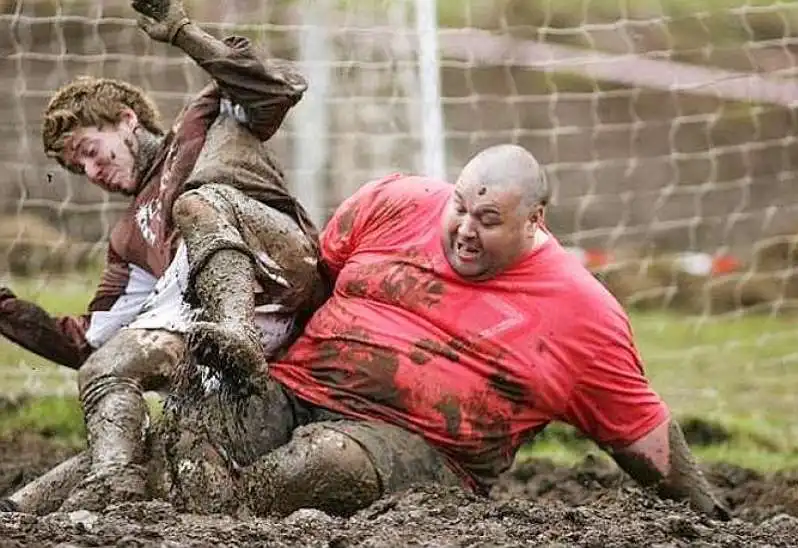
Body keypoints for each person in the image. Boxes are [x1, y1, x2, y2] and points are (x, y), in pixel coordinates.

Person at [1, 144, 730, 519]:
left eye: (489, 221)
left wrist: (713, 518)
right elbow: (311, 280)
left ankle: (146, 509)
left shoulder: (585, 315)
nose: (464, 231)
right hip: (292, 387)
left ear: (537, 223)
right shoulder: (395, 201)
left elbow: (644, 437)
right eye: (460, 210)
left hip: (420, 448)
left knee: (321, 466)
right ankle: (49, 508)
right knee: (198, 426)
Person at [0, 0, 327, 512]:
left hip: (277, 262)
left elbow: (276, 88)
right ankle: (51, 501)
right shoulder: (129, 236)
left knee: (197, 203)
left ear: (126, 119)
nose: (90, 171)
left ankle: (235, 329)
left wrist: (182, 32)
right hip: (215, 351)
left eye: (89, 149)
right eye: (75, 168)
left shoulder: (203, 122)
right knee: (110, 380)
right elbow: (90, 339)